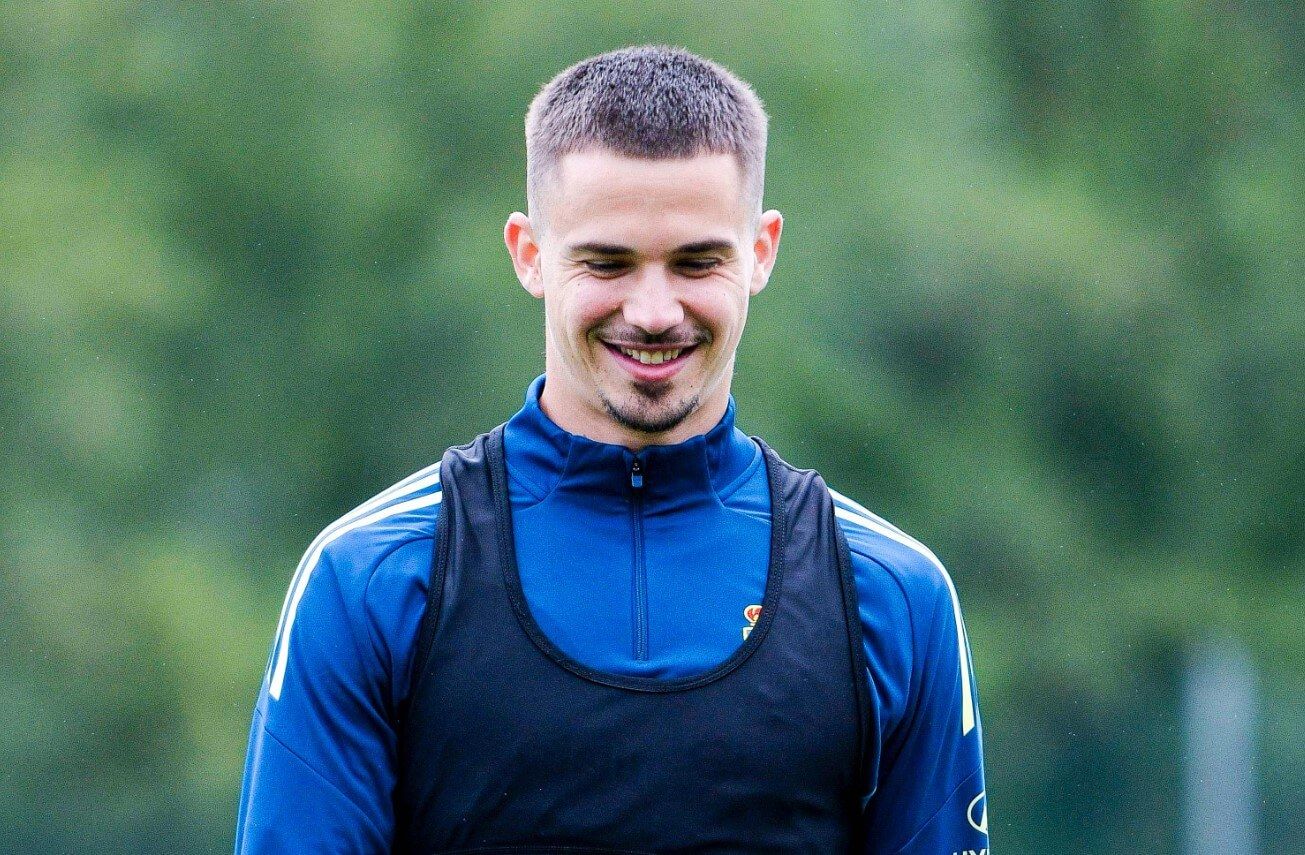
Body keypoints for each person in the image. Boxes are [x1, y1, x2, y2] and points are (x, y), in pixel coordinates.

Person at [235, 45, 990, 854]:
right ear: (530, 254)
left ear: (761, 251)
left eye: (697, 261)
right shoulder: (371, 578)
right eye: (607, 262)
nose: (655, 310)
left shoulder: (892, 595)